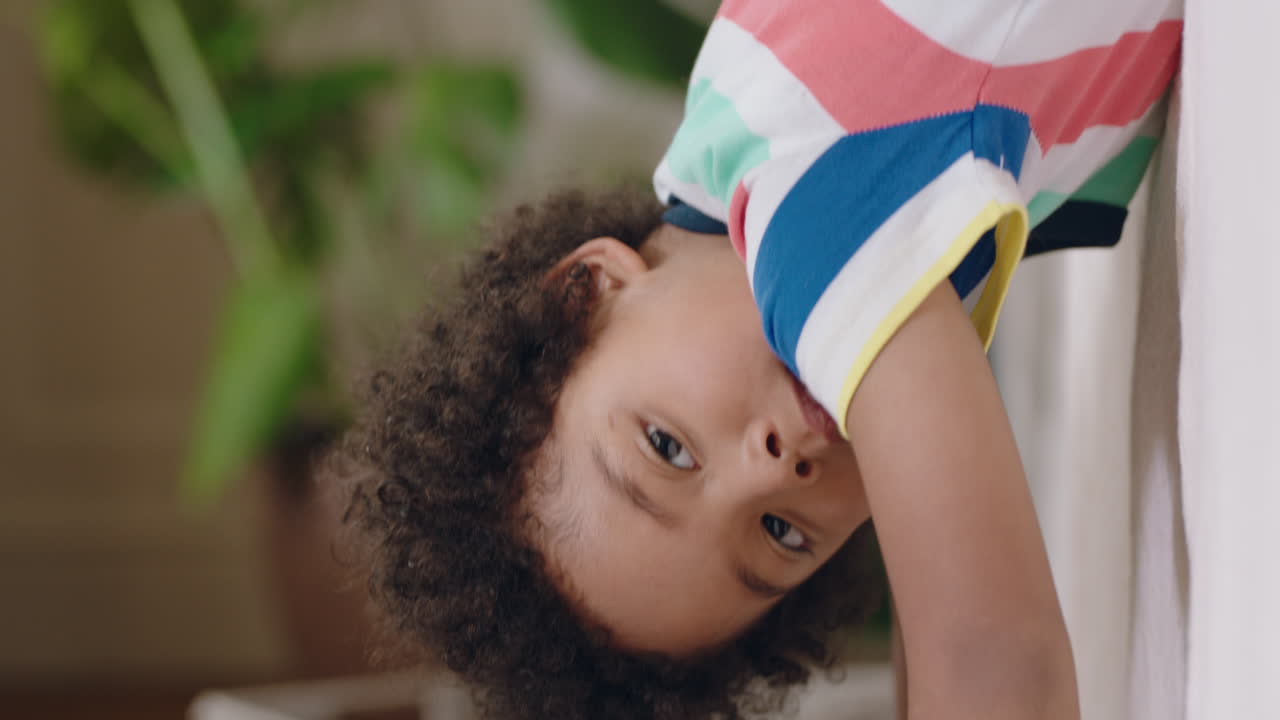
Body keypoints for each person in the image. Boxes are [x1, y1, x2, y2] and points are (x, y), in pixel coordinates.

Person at [332, 1, 1184, 718]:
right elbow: (937, 606)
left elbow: (991, 652)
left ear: (584, 293)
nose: (772, 470)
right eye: (780, 535)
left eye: (667, 449)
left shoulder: (816, 244)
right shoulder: (738, 130)